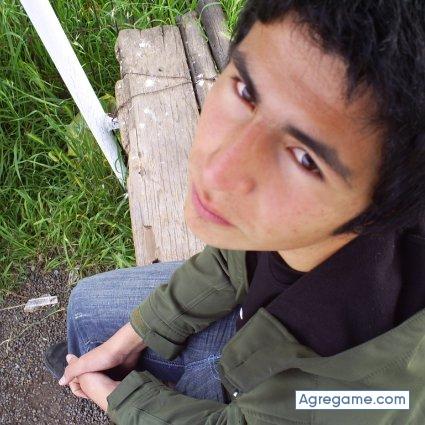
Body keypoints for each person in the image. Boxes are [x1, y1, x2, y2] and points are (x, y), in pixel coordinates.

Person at [44, 1, 425, 423]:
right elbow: (235, 260)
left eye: (304, 159)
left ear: (384, 209)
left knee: (89, 348)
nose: (217, 171)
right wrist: (130, 341)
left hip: (286, 394)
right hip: (260, 335)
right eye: (245, 91)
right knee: (86, 310)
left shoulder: (368, 393)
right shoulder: (313, 221)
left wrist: (115, 398)